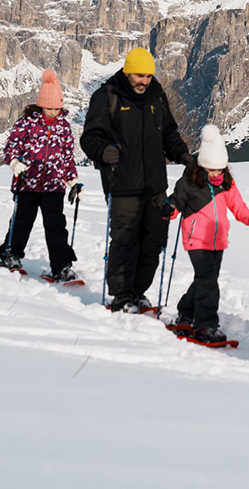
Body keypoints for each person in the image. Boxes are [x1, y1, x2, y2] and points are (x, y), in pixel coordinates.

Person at [80, 46, 192, 313]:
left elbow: (169, 134)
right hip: (122, 186)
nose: (144, 81)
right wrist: (102, 152)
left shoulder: (157, 96)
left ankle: (138, 292)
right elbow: (90, 137)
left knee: (154, 241)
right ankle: (121, 295)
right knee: (124, 239)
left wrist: (184, 155)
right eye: (139, 76)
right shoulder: (107, 96)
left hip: (155, 186)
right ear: (128, 72)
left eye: (148, 76)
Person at [162, 124, 249, 344]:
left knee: (205, 279)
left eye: (219, 169)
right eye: (211, 170)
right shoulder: (190, 181)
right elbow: (176, 202)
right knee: (209, 280)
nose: (216, 174)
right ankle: (205, 325)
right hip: (196, 239)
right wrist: (169, 208)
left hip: (218, 240)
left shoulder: (227, 183)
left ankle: (186, 312)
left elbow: (238, 208)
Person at [0, 69, 79, 282]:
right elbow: (11, 146)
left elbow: (67, 157)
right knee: (22, 221)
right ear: (41, 104)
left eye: (57, 108)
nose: (53, 112)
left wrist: (73, 181)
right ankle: (10, 255)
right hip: (27, 183)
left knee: (56, 226)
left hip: (54, 186)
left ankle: (61, 266)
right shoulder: (27, 123)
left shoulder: (64, 128)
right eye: (49, 107)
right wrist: (14, 162)